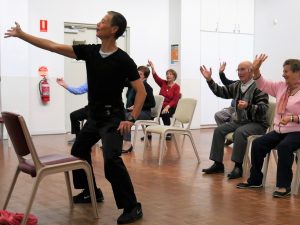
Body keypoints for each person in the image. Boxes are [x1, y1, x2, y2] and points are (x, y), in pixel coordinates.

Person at [5, 11, 146, 224]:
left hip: (113, 119)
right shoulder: (89, 52)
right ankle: (91, 192)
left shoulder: (123, 59)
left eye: (103, 22)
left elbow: (141, 92)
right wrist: (22, 35)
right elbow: (52, 46)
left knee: (111, 160)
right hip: (95, 116)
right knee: (78, 150)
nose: (98, 24)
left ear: (114, 29)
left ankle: (132, 206)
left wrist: (132, 118)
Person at [237, 54, 300, 198]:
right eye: (283, 71)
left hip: (297, 131)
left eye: (286, 71)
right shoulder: (281, 87)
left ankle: (284, 186)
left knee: (285, 147)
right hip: (280, 130)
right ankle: (255, 180)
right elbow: (262, 84)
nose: (283, 74)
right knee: (258, 144)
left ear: (297, 73)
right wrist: (256, 69)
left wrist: (293, 118)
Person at [199, 60, 269, 179]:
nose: (239, 72)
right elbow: (221, 92)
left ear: (251, 71)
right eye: (238, 70)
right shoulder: (237, 85)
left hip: (257, 123)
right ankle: (218, 164)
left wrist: (248, 106)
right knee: (218, 130)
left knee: (240, 132)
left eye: (243, 69)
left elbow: (264, 109)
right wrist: (209, 80)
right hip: (240, 122)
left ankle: (238, 167)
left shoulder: (259, 86)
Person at [122, 65, 155, 153]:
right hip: (134, 110)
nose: (137, 75)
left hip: (145, 113)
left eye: (140, 74)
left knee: (127, 116)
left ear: (145, 77)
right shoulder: (133, 85)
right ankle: (118, 142)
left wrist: (137, 106)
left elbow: (152, 104)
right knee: (118, 114)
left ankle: (127, 143)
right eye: (137, 73)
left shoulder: (148, 87)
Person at [147, 59, 181, 140]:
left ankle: (168, 133)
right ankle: (148, 133)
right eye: (167, 74)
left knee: (165, 113)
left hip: (171, 107)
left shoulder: (176, 87)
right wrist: (152, 68)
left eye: (170, 74)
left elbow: (175, 100)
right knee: (149, 113)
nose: (168, 75)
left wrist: (167, 107)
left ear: (174, 77)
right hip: (160, 106)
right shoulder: (163, 83)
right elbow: (156, 77)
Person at [56, 78, 88, 144]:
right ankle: (78, 138)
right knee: (74, 115)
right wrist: (64, 85)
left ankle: (106, 142)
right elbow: (77, 90)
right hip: (91, 108)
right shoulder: (90, 82)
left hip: (104, 110)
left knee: (91, 125)